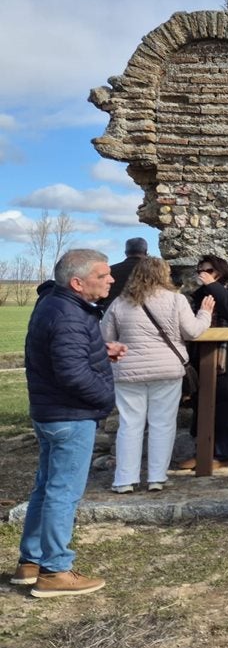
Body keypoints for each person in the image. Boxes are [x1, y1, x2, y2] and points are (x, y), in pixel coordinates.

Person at [15, 249, 126, 597]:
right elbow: (71, 374)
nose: (111, 280)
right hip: (69, 416)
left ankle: (30, 563)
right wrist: (106, 399)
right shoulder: (67, 314)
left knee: (46, 488)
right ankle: (55, 571)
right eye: (103, 275)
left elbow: (63, 354)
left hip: (53, 413)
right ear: (77, 282)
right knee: (63, 493)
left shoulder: (58, 305)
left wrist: (99, 349)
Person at [101, 257, 213, 493]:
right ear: (163, 274)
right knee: (162, 423)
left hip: (128, 371)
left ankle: (124, 480)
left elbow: (106, 338)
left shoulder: (120, 303)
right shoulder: (176, 300)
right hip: (166, 370)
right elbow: (192, 332)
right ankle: (156, 477)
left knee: (129, 425)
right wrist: (205, 314)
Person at [183, 255, 228, 467]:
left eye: (209, 270)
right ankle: (203, 452)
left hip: (226, 357)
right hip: (201, 355)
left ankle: (222, 454)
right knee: (201, 404)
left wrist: (213, 286)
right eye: (200, 270)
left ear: (220, 271)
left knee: (224, 407)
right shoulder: (199, 294)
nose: (203, 274)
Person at [98, 236, 148, 310]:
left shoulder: (110, 270)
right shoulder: (153, 271)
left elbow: (100, 296)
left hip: (112, 313)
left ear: (126, 253)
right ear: (146, 252)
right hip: (143, 314)